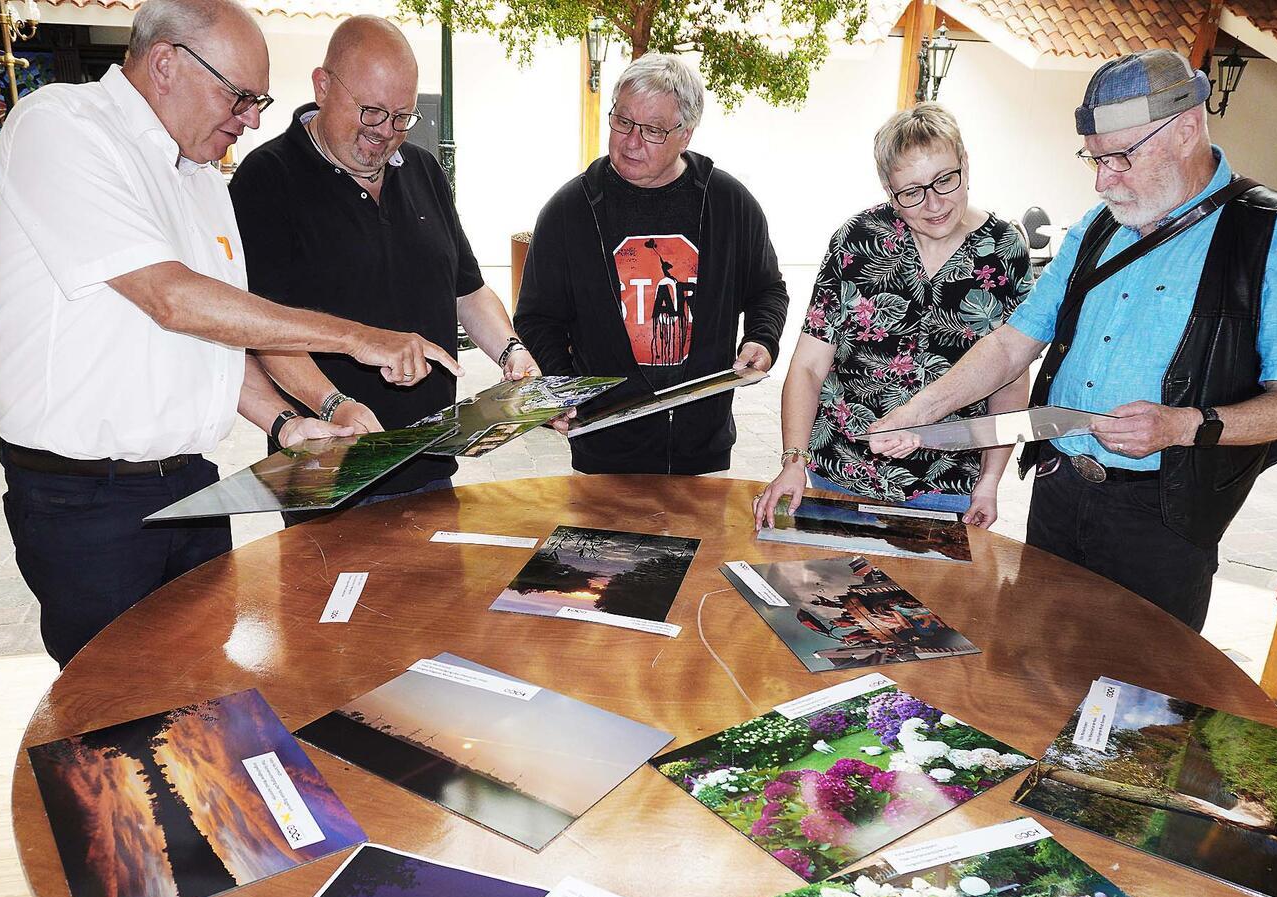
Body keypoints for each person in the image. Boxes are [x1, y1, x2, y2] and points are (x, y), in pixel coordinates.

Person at [0, 0, 461, 666]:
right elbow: (171, 300)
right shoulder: (61, 130)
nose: (253, 119)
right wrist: (355, 338)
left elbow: (218, 332)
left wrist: (295, 422)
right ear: (164, 64)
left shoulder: (204, 179)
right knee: (114, 712)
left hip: (193, 484)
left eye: (258, 100)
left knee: (205, 690)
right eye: (239, 97)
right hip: (85, 497)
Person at [867, 50, 1277, 631]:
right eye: (1093, 159)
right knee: (1034, 658)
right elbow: (1014, 343)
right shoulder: (1096, 228)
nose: (1101, 179)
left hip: (1164, 514)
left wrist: (1182, 425)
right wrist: (918, 414)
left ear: (1187, 129)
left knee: (1141, 690)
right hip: (1058, 486)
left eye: (1120, 158)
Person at [230, 16, 541, 508]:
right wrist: (332, 405)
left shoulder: (424, 170)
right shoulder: (265, 181)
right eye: (372, 113)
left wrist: (512, 353)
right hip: (326, 473)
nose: (386, 133)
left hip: (431, 465)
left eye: (403, 118)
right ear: (323, 85)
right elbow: (265, 332)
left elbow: (467, 289)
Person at [753, 103, 1031, 530]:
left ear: (966, 165)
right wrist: (793, 460)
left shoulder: (1005, 248)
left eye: (945, 180)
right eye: (911, 192)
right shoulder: (857, 239)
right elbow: (809, 366)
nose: (933, 204)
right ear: (888, 188)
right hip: (838, 473)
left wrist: (990, 482)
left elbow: (1011, 382)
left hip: (947, 485)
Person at [514, 52, 788, 476]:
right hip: (604, 448)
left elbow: (767, 287)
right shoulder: (570, 211)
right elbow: (537, 317)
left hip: (703, 449)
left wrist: (762, 338)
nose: (631, 140)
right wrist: (563, 387)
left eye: (653, 130)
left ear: (686, 134)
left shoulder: (729, 204)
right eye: (622, 121)